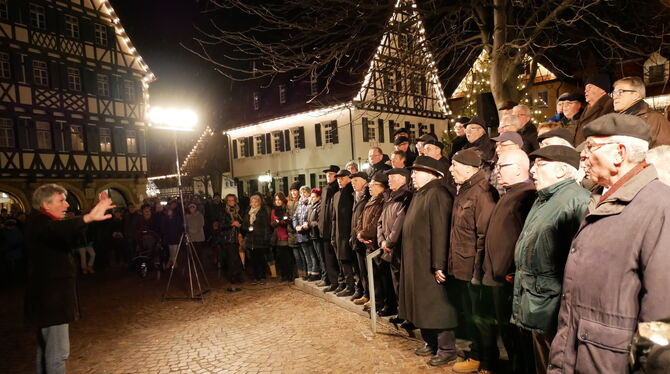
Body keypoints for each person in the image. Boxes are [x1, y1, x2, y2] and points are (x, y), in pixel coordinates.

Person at [548, 114, 670, 373]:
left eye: (591, 147)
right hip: (581, 355)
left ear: (619, 153)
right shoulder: (601, 200)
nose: (583, 156)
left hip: (610, 362)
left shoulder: (660, 207)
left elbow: (663, 313)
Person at [511, 145, 590, 374]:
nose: (533, 171)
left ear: (562, 171)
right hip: (537, 300)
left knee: (556, 362)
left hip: (552, 305)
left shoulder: (578, 201)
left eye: (540, 164)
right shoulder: (544, 198)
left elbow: (578, 262)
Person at [25, 184, 114, 374]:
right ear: (45, 204)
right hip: (52, 301)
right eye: (61, 200)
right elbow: (56, 230)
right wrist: (88, 217)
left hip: (48, 301)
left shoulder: (40, 221)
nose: (66, 205)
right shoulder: (41, 223)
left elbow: (65, 232)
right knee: (57, 354)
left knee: (46, 351)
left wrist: (88, 220)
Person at [399, 156, 458, 367]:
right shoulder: (422, 193)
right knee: (423, 305)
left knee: (437, 305)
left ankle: (447, 348)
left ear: (431, 173)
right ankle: (431, 343)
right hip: (417, 260)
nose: (412, 175)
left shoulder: (438, 193)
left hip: (430, 262)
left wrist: (439, 263)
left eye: (417, 172)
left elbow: (441, 230)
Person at [483, 150, 537, 374]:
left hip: (510, 279)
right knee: (507, 335)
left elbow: (527, 238)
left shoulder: (527, 195)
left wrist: (512, 272)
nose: (497, 170)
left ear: (517, 168)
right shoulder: (510, 193)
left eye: (502, 166)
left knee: (517, 340)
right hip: (499, 276)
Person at [447, 149, 498, 374]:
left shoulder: (482, 192)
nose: (450, 169)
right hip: (463, 267)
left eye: (454, 165)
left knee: (481, 319)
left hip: (473, 269)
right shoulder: (466, 190)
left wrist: (478, 272)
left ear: (468, 168)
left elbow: (484, 236)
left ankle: (485, 361)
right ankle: (477, 355)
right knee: (472, 316)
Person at [356, 173, 392, 315]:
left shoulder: (382, 201)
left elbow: (376, 222)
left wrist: (364, 234)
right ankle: (377, 301)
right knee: (374, 277)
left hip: (376, 244)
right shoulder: (371, 200)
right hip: (368, 244)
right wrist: (359, 233)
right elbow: (361, 219)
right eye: (370, 184)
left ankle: (385, 303)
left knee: (382, 277)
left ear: (382, 187)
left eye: (373, 184)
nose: (370, 187)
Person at [378, 168, 412, 316]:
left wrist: (389, 242)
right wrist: (382, 241)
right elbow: (380, 222)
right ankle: (401, 313)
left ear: (403, 179)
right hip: (389, 248)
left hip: (398, 248)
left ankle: (407, 315)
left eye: (393, 178)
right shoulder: (390, 197)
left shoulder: (406, 197)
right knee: (395, 283)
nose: (389, 181)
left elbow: (400, 222)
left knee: (403, 284)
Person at [612, 76, 670, 147]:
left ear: (636, 95)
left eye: (620, 92)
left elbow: (665, 154)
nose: (615, 97)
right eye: (614, 93)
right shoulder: (615, 122)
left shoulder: (655, 120)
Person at [331, 169, 356, 296]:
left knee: (348, 261)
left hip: (348, 233)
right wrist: (333, 235)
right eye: (338, 179)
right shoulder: (337, 195)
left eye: (342, 178)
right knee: (341, 260)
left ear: (349, 178)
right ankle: (346, 284)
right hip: (338, 234)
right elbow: (334, 218)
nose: (340, 180)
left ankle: (352, 286)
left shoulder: (351, 193)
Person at [571, 73, 614, 145]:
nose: (585, 91)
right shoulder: (587, 107)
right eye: (585, 88)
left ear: (602, 89)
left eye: (589, 88)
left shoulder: (610, 105)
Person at [318, 165, 341, 292]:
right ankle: (333, 281)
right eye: (327, 174)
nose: (328, 176)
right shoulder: (325, 189)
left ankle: (339, 282)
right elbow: (322, 210)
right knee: (328, 257)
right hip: (325, 229)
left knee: (336, 257)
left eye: (331, 173)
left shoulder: (338, 189)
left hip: (334, 229)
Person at [350, 171, 371, 304]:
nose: (353, 184)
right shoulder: (356, 196)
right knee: (362, 270)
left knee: (369, 271)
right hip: (357, 238)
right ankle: (366, 293)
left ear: (364, 180)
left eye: (355, 181)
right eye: (352, 182)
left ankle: (373, 296)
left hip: (366, 239)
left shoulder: (368, 195)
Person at [242, 193, 272, 285]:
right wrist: (248, 228)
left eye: (256, 202)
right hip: (250, 240)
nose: (254, 203)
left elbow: (266, 226)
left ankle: (262, 276)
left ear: (259, 203)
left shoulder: (262, 212)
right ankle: (255, 277)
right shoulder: (248, 212)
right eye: (252, 202)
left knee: (260, 259)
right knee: (253, 260)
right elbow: (243, 226)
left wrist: (266, 238)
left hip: (260, 239)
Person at [293, 186, 319, 281]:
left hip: (308, 233)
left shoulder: (309, 204)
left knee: (312, 254)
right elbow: (295, 217)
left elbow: (308, 218)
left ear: (308, 193)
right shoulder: (299, 205)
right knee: (306, 255)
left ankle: (315, 272)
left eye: (304, 193)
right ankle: (309, 272)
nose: (303, 195)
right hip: (300, 234)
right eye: (301, 193)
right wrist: (296, 226)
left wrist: (304, 227)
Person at [221, 194, 244, 289]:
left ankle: (239, 276)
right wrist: (231, 224)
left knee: (239, 257)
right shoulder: (224, 212)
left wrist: (240, 225)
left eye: (232, 200)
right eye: (229, 200)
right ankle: (233, 277)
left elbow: (242, 221)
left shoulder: (238, 211)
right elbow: (222, 225)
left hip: (238, 237)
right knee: (231, 258)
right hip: (229, 238)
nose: (231, 202)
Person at [270, 192, 294, 282]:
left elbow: (287, 221)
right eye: (276, 200)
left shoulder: (286, 208)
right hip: (277, 236)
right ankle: (283, 275)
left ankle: (289, 275)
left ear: (282, 200)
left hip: (285, 235)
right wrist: (276, 222)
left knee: (287, 257)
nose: (278, 201)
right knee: (280, 258)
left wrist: (282, 221)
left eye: (279, 199)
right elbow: (271, 223)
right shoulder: (273, 210)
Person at [306, 188, 327, 283]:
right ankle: (323, 276)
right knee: (318, 257)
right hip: (312, 235)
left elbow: (319, 222)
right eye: (311, 196)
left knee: (322, 257)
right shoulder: (312, 206)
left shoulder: (320, 207)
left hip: (318, 235)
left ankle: (325, 277)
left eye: (314, 197)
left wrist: (309, 224)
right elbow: (309, 219)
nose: (312, 198)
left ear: (319, 197)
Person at [286, 183, 302, 279]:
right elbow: (287, 214)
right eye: (292, 190)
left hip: (299, 230)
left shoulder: (300, 201)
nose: (293, 192)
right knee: (296, 255)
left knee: (302, 254)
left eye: (295, 190)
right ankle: (299, 273)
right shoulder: (289, 202)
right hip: (291, 231)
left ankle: (305, 272)